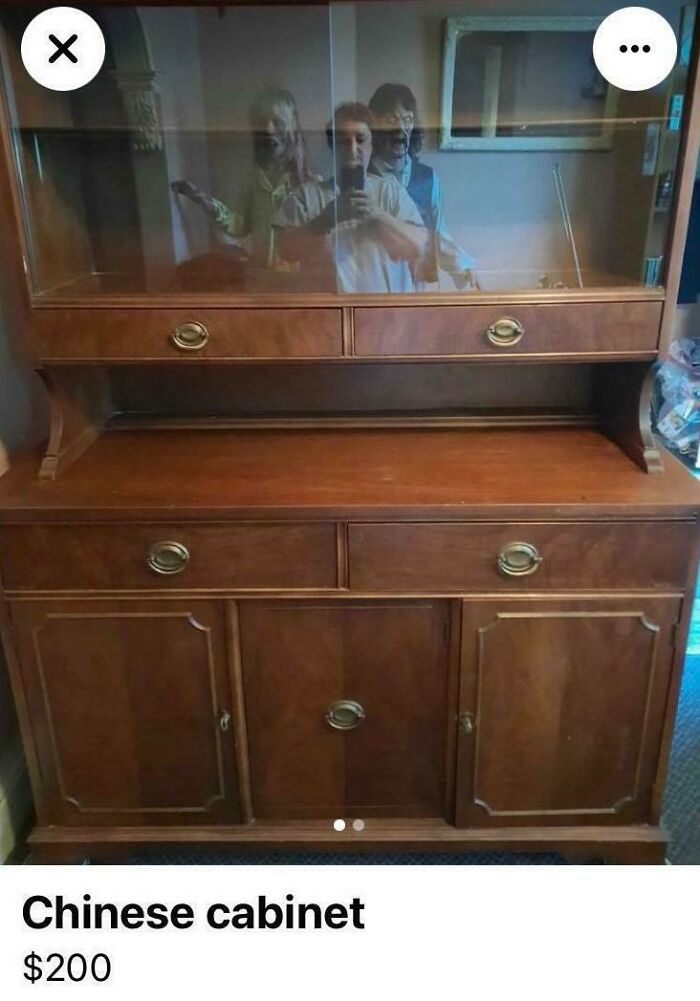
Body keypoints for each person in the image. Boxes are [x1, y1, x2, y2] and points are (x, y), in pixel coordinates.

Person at [273, 102, 427, 294]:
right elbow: (286, 251)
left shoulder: (390, 192)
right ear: (333, 146)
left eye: (361, 139)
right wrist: (325, 220)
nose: (353, 149)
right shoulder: (306, 196)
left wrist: (377, 216)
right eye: (344, 141)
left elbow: (418, 246)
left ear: (371, 145)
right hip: (328, 318)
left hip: (385, 318)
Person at [171, 89, 315, 274]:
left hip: (298, 285)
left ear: (292, 127)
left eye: (277, 122)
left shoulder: (309, 184)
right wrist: (204, 201)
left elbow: (316, 242)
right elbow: (240, 226)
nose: (269, 131)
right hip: (260, 279)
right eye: (263, 123)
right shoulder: (253, 180)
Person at [368, 82, 479, 290]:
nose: (400, 129)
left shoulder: (427, 180)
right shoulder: (363, 181)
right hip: (376, 289)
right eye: (392, 120)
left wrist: (463, 267)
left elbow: (439, 235)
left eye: (407, 120)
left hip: (416, 289)